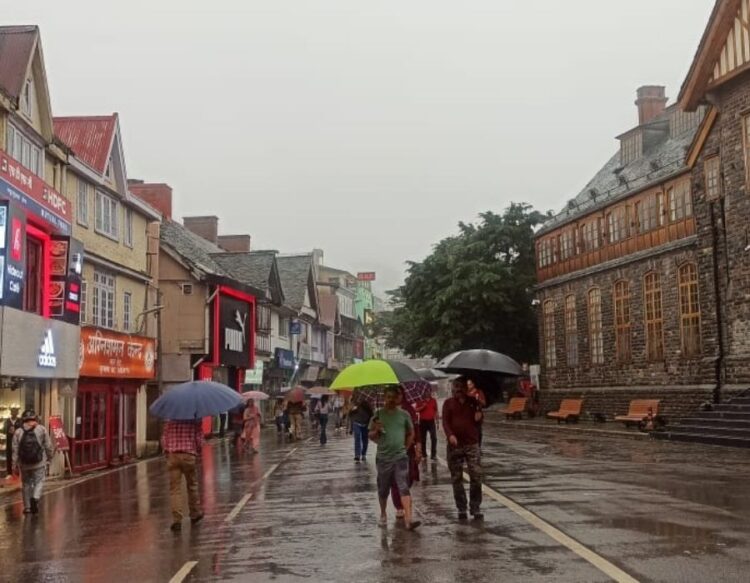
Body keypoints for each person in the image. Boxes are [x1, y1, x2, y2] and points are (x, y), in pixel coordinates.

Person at [369, 386, 421, 531]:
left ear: (398, 398)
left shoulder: (404, 415)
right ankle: (383, 513)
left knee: (403, 486)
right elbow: (371, 436)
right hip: (383, 458)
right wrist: (376, 430)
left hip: (400, 457)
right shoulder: (377, 415)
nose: (391, 400)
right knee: (383, 489)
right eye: (388, 397)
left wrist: (407, 446)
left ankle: (408, 520)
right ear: (384, 398)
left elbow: (411, 432)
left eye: (394, 397)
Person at [443, 377, 484, 520]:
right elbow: (445, 422)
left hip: (471, 444)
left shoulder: (473, 402)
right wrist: (450, 435)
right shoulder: (448, 404)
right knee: (456, 478)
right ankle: (461, 507)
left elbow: (478, 423)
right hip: (455, 445)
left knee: (476, 476)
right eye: (456, 387)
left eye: (461, 387)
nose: (458, 390)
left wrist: (479, 416)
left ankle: (475, 506)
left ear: (466, 389)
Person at [161, 419, 204, 531]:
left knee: (175, 489)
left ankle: (177, 520)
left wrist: (166, 452)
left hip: (173, 455)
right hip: (189, 455)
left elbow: (164, 438)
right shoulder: (194, 420)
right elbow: (199, 439)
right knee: (192, 486)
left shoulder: (169, 420)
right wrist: (198, 452)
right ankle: (194, 513)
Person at [12, 410, 55, 515]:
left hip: (24, 464)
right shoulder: (41, 429)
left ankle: (27, 507)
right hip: (39, 463)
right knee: (39, 481)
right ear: (35, 418)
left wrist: (14, 465)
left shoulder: (18, 432)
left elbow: (15, 450)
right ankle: (35, 498)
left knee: (26, 484)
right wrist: (50, 457)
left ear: (23, 420)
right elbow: (48, 446)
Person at [391, 389, 421, 520]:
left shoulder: (409, 409)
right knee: (395, 480)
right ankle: (399, 506)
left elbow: (416, 427)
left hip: (408, 448)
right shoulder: (385, 411)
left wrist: (418, 445)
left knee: (408, 478)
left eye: (399, 394)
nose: (397, 397)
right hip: (392, 450)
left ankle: (404, 497)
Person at [415, 392, 438, 461]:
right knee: (423, 439)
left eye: (428, 391)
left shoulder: (433, 400)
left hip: (431, 421)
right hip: (422, 421)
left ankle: (433, 455)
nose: (427, 393)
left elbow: (436, 410)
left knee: (434, 438)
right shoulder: (420, 400)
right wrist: (423, 406)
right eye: (426, 391)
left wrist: (437, 421)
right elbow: (416, 410)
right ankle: (424, 454)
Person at [466, 377, 487, 448]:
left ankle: (478, 446)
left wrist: (479, 399)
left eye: (470, 384)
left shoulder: (479, 392)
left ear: (473, 384)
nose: (469, 386)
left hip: (478, 413)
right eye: (468, 384)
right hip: (468, 414)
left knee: (479, 431)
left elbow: (484, 403)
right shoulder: (466, 393)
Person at [4, 406, 21, 477]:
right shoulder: (7, 421)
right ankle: (9, 473)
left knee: (18, 455)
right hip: (9, 441)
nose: (14, 413)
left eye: (16, 411)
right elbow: (3, 430)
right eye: (13, 411)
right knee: (9, 455)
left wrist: (16, 430)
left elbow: (22, 429)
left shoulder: (20, 420)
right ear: (11, 412)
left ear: (17, 412)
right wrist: (8, 431)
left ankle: (18, 471)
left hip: (18, 441)